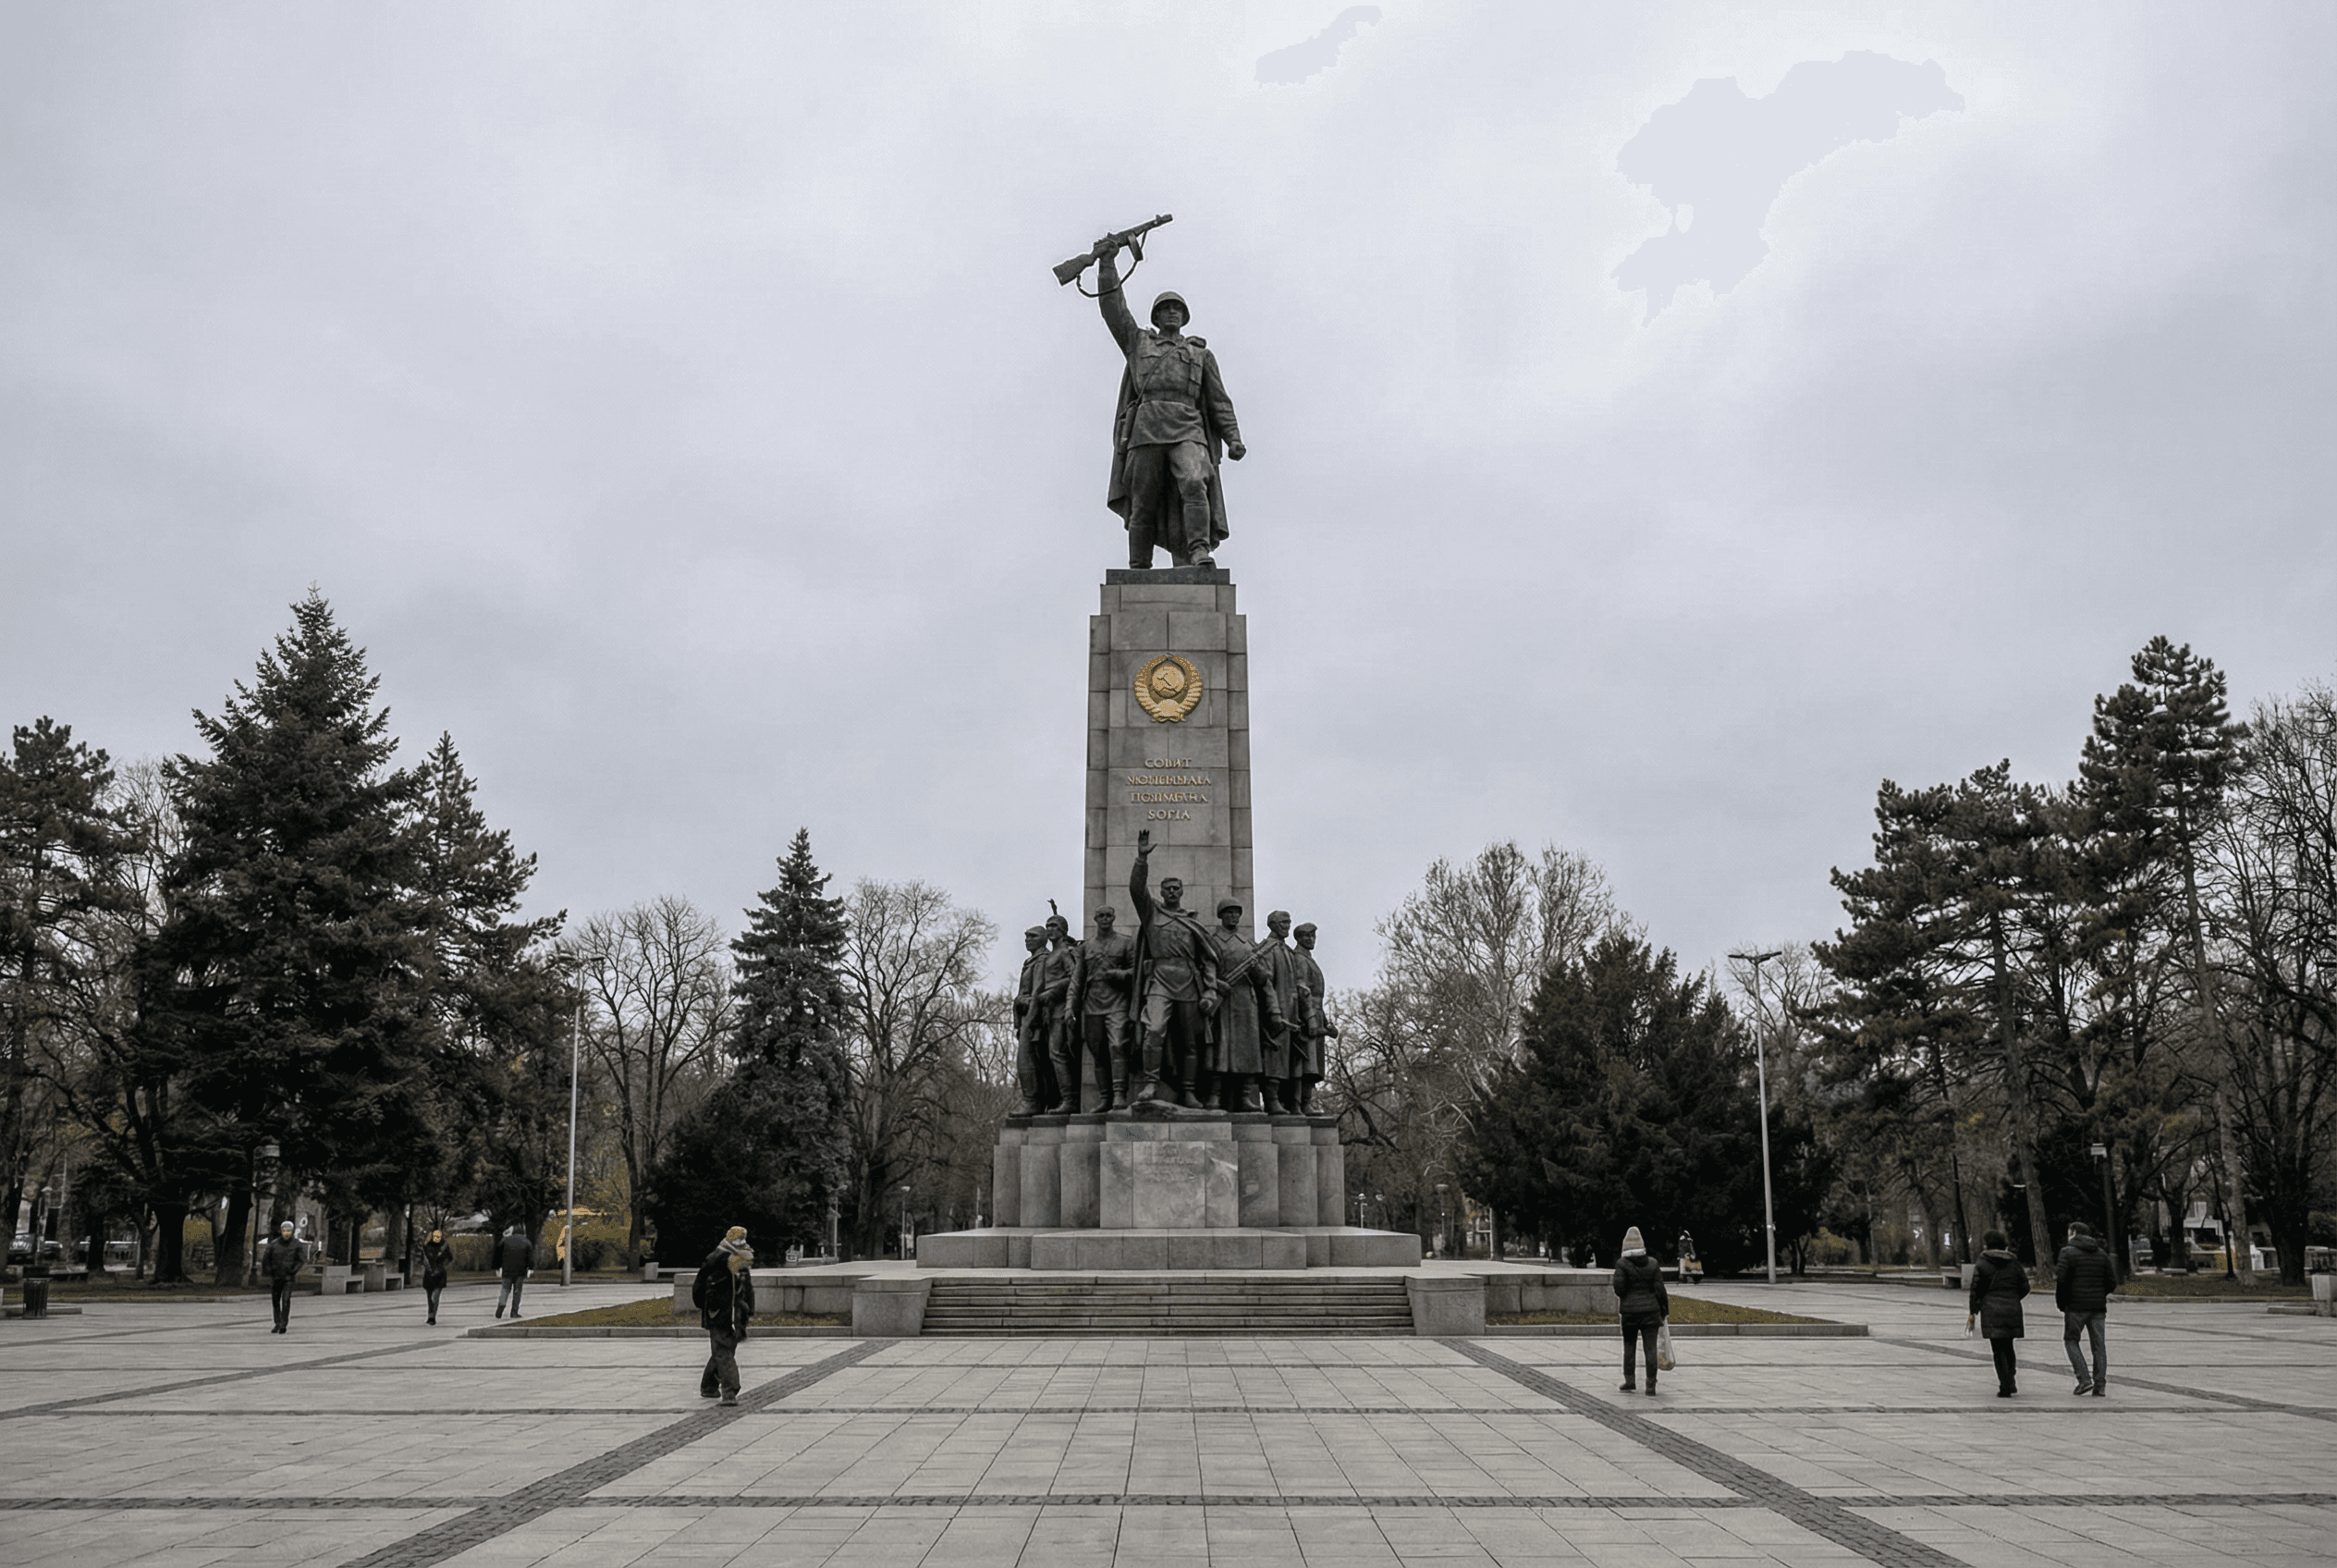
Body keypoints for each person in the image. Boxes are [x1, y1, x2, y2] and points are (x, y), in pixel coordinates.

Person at [1093, 245, 1246, 569]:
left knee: (1194, 482)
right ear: (1157, 316)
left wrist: (1233, 437)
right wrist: (1107, 263)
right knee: (1143, 500)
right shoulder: (1138, 343)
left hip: (1187, 426)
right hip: (1146, 428)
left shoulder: (1201, 355)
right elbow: (1114, 309)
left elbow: (1219, 400)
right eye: (1167, 309)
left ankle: (1199, 550)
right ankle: (1139, 564)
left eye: (1178, 309)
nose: (1173, 313)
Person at [1126, 829, 1222, 1108]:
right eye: (1167, 888)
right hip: (1159, 980)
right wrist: (1141, 860)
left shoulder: (1192, 922)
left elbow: (1207, 959)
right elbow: (1135, 890)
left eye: (1176, 888)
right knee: (1154, 1031)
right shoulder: (1151, 912)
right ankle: (1151, 1083)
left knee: (1190, 1042)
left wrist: (1210, 990)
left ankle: (1189, 1091)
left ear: (1182, 891)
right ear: (1160, 892)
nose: (1171, 892)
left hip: (1189, 983)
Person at [1076, 906, 1137, 1109]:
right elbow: (1077, 980)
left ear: (1114, 917)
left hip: (1117, 1002)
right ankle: (1104, 1097)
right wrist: (1070, 1007)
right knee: (1098, 1052)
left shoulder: (1126, 942)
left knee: (1118, 1046)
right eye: (1100, 915)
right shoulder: (1086, 947)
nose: (1105, 919)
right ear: (1094, 918)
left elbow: (1136, 971)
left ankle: (1120, 1094)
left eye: (1108, 915)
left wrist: (1120, 975)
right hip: (1092, 1005)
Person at [692, 1225, 756, 1406]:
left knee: (723, 1351)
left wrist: (748, 1311)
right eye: (739, 1238)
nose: (742, 1242)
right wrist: (708, 1308)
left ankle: (709, 1386)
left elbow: (748, 1289)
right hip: (720, 1314)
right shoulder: (717, 1259)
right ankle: (730, 1391)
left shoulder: (741, 1259)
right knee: (724, 1352)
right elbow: (699, 1287)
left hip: (736, 1316)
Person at [1967, 1229, 2031, 1396]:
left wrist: (1974, 1309)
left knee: (1997, 1349)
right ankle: (2011, 1378)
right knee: (2009, 1346)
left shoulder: (1982, 1263)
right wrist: (2014, 1298)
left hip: (1991, 1310)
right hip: (2012, 1309)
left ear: (1987, 1245)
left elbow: (1975, 1290)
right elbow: (2025, 1287)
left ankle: (2005, 1385)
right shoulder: (2014, 1263)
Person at [2056, 1219, 2116, 1395]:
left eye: (2069, 1232)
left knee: (2071, 1340)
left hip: (2075, 1306)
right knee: (2099, 1346)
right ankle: (2100, 1385)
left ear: (2074, 1232)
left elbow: (2061, 1281)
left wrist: (2061, 1303)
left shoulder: (2067, 1253)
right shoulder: (2101, 1254)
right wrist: (2099, 1294)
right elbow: (2111, 1283)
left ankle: (2084, 1379)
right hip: (2098, 1308)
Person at [1611, 1225, 1670, 1395]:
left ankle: (1629, 1381)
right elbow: (1660, 1290)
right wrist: (1664, 1310)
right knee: (1650, 1348)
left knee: (1629, 1346)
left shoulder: (1621, 1264)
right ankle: (1651, 1384)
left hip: (1629, 1313)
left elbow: (1619, 1290)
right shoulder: (1653, 1263)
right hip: (1651, 1312)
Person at [260, 1220, 305, 1334]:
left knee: (286, 1300)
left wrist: (293, 1270)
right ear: (281, 1231)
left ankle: (283, 1324)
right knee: (275, 1301)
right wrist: (269, 1271)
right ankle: (277, 1323)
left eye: (288, 1231)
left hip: (288, 1278)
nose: (286, 1233)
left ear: (292, 1232)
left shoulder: (296, 1244)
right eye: (284, 1231)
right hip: (276, 1277)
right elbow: (266, 1260)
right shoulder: (273, 1244)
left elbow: (301, 1260)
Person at [494, 1225, 532, 1319]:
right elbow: (530, 1258)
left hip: (507, 1270)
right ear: (523, 1233)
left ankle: (500, 1309)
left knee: (505, 1290)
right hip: (520, 1271)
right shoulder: (526, 1242)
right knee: (517, 1291)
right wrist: (530, 1268)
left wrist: (497, 1267)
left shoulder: (505, 1240)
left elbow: (498, 1254)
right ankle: (514, 1312)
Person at [420, 1229, 453, 1327]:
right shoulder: (426, 1247)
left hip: (440, 1274)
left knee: (436, 1296)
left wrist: (442, 1265)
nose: (437, 1238)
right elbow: (422, 1258)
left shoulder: (444, 1246)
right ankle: (430, 1315)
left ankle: (432, 1316)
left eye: (439, 1236)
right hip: (429, 1275)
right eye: (435, 1236)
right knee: (430, 1297)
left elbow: (450, 1258)